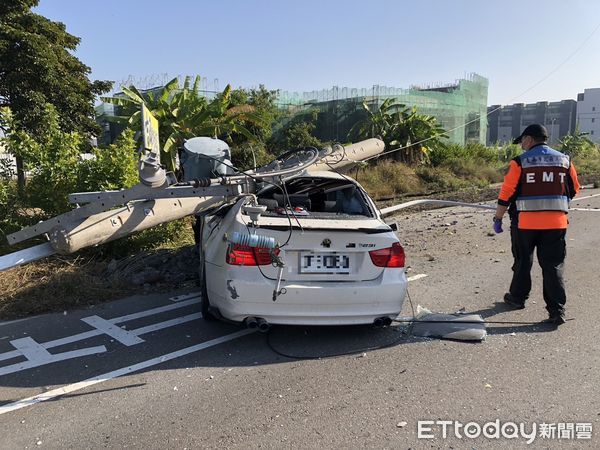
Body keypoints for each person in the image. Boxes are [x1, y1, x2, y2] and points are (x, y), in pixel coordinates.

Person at [493, 124, 580, 326]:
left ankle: (517, 298)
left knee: (523, 261)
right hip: (556, 224)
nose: (522, 145)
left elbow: (506, 193)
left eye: (522, 141)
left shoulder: (520, 162)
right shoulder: (564, 160)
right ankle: (557, 311)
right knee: (553, 266)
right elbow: (574, 188)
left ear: (530, 139)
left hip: (525, 224)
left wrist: (498, 218)